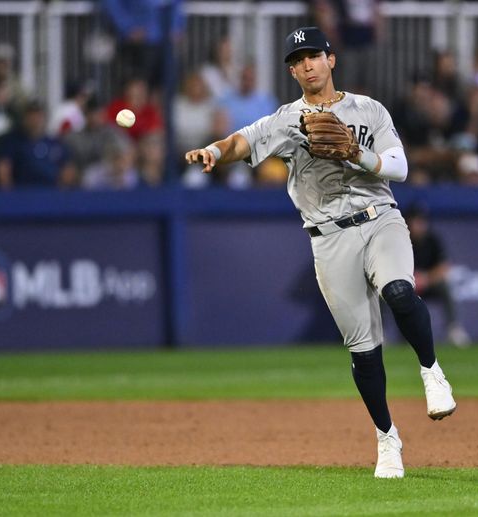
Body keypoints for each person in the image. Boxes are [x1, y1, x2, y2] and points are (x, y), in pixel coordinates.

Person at [185, 27, 456, 478]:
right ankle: (387, 439)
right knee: (364, 350)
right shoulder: (285, 121)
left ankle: (431, 371)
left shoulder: (368, 108)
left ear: (332, 60)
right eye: (298, 59)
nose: (307, 64)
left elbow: (401, 167)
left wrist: (356, 152)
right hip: (328, 237)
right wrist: (214, 150)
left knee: (399, 291)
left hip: (380, 216)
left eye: (314, 55)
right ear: (292, 70)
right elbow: (242, 141)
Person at [405, 203, 471, 347]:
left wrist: (426, 278)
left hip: (428, 284)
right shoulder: (402, 239)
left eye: (421, 221)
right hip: (406, 285)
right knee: (384, 293)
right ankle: (381, 332)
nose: (419, 225)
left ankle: (453, 329)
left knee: (445, 287)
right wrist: (410, 279)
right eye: (415, 221)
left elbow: (444, 267)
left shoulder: (432, 239)